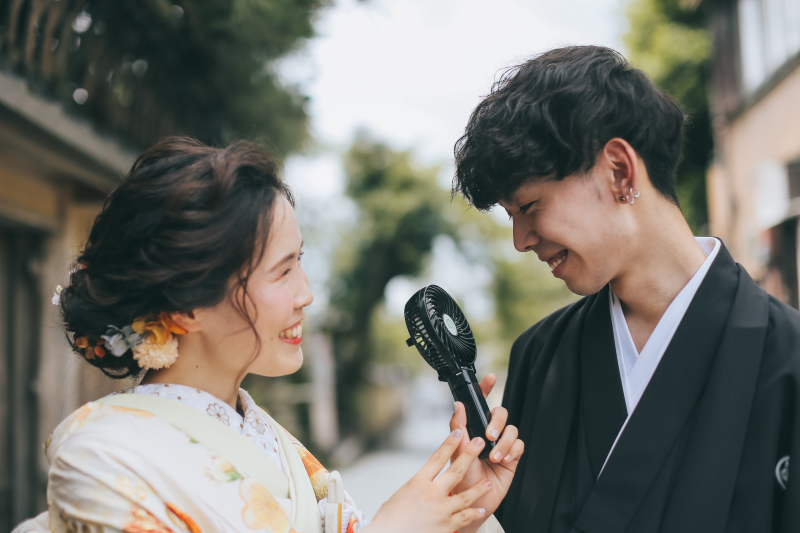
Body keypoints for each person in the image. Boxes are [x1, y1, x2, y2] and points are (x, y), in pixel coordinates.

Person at [13, 138, 523, 533]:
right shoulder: (102, 459)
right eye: (282, 272)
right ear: (186, 305)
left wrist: (459, 507)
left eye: (300, 261)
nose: (307, 294)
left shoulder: (277, 445)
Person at [449, 45, 800, 532]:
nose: (520, 241)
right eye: (511, 218)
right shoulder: (538, 357)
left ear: (620, 171)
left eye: (529, 206)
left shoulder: (789, 358)